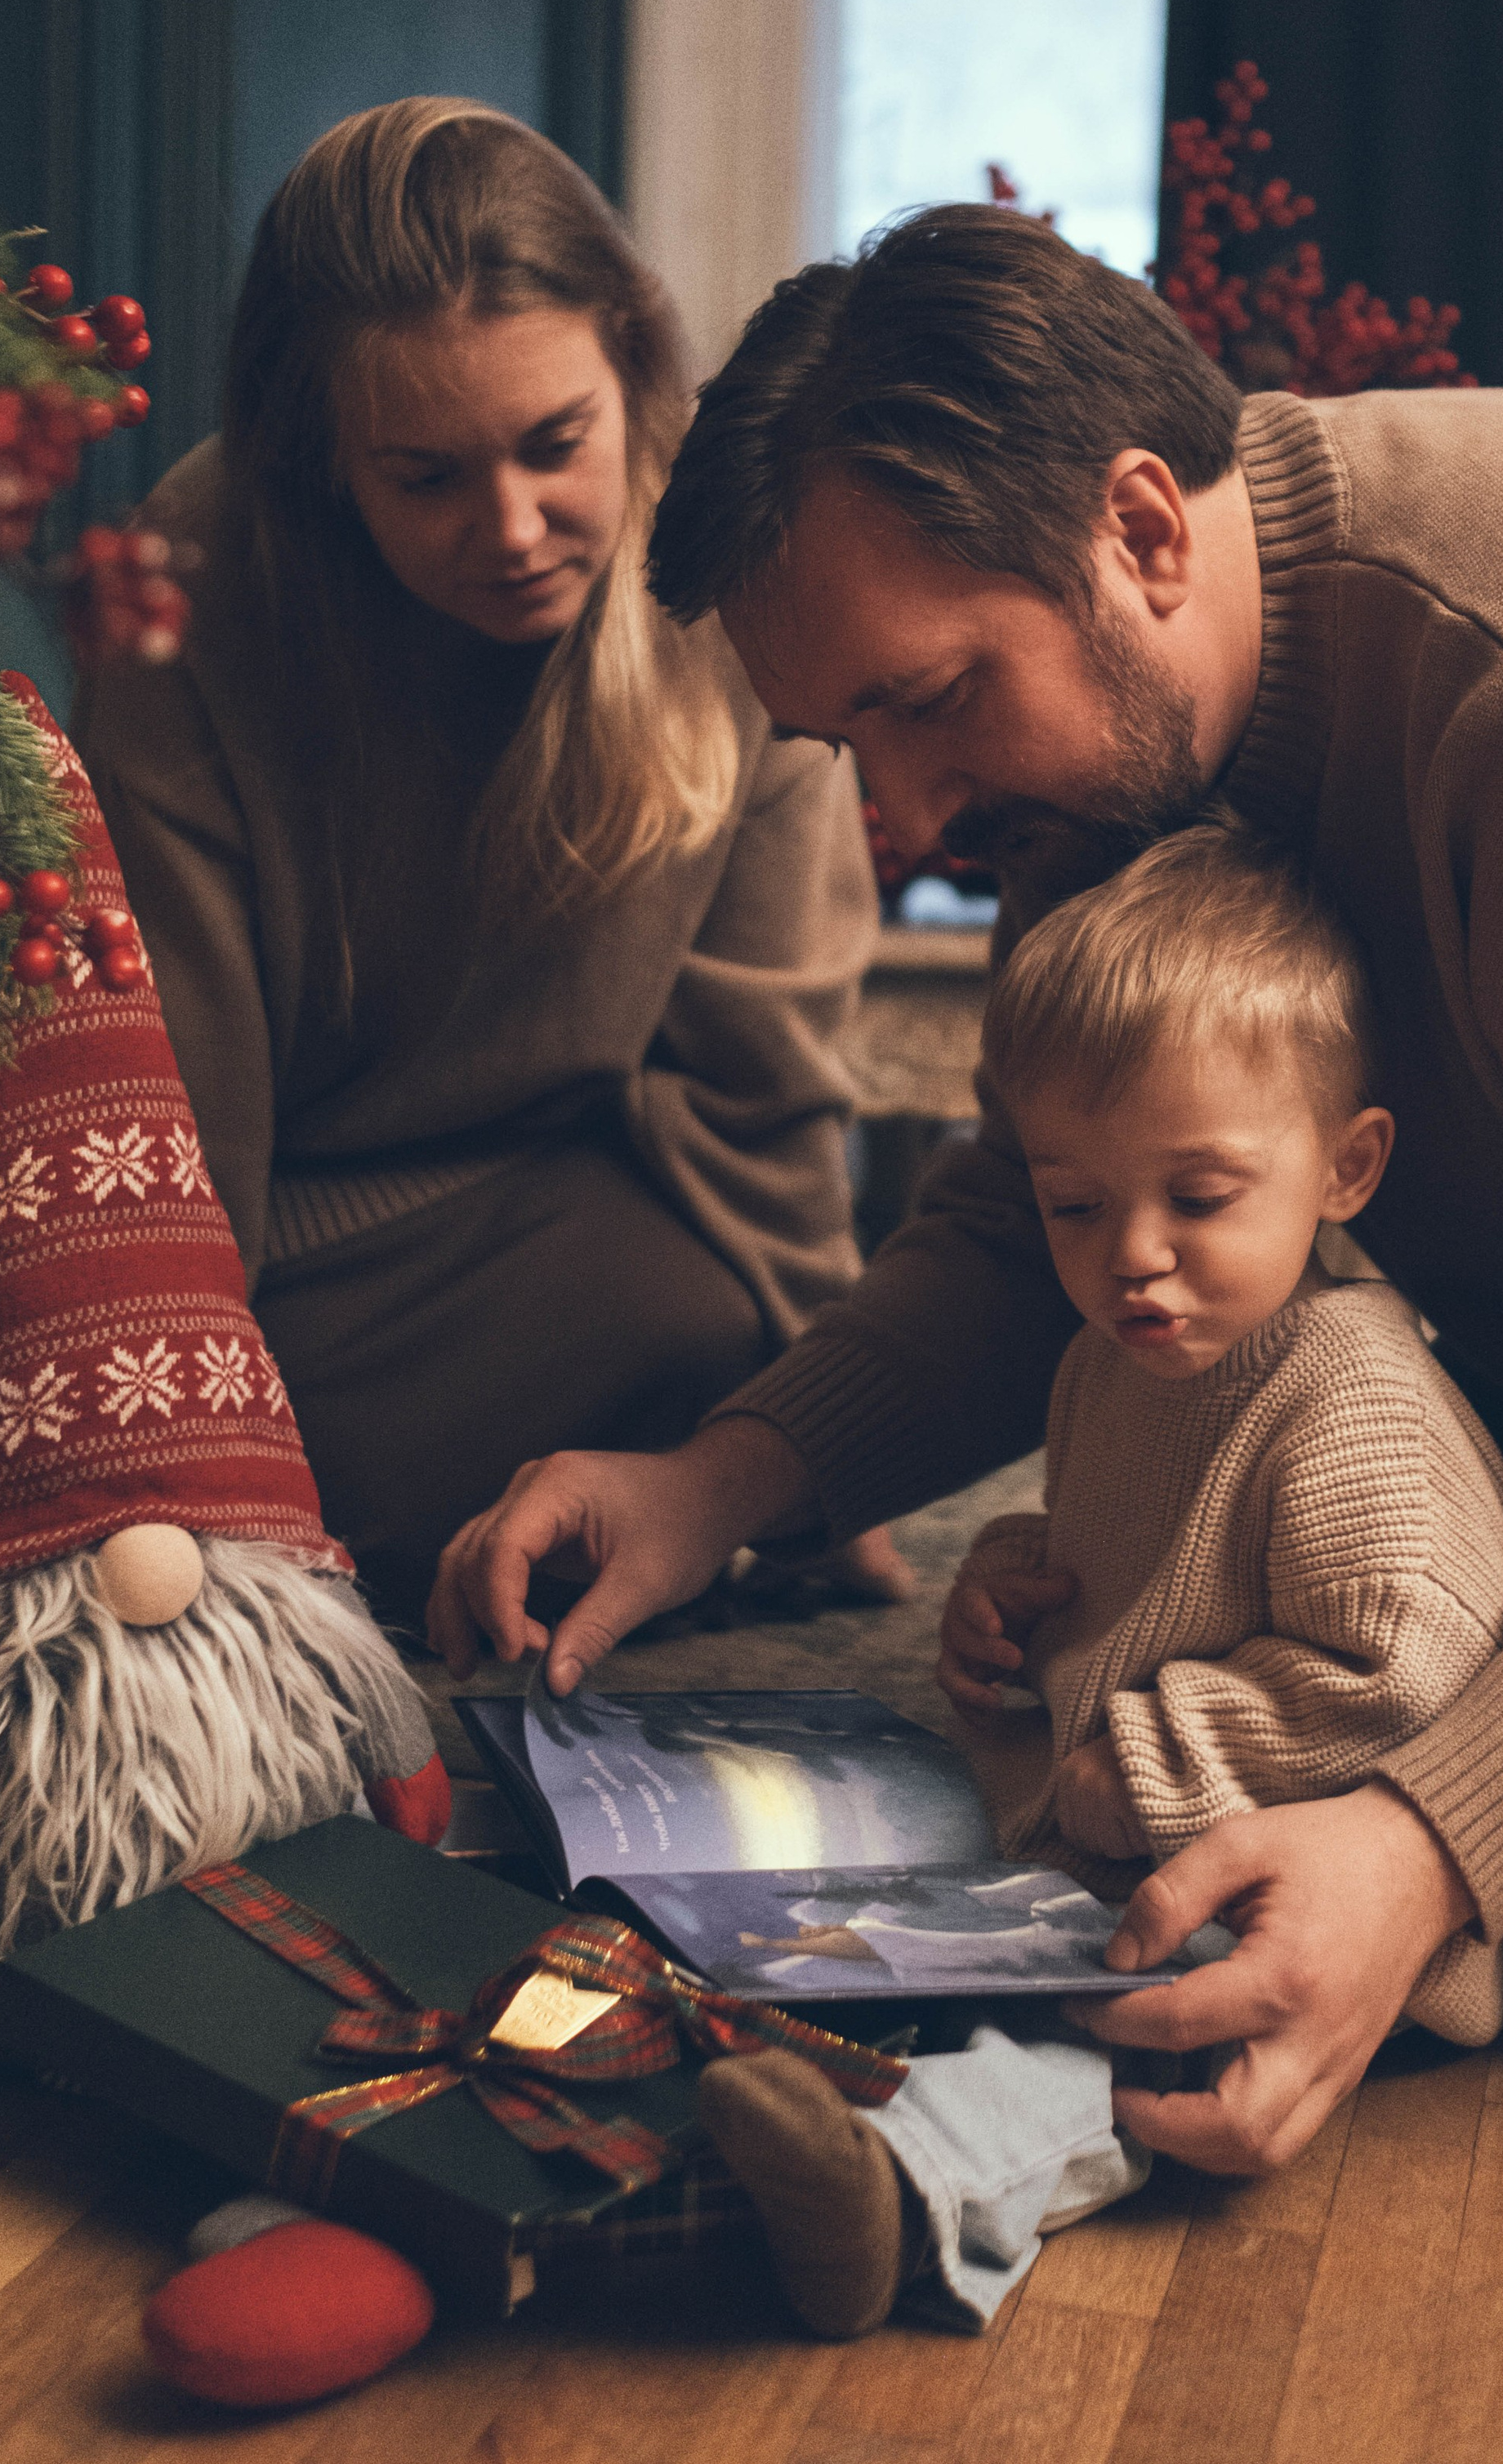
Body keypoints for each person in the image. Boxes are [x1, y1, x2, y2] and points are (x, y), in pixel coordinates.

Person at [435, 199, 1503, 2176]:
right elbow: (1037, 1215)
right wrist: (721, 1481)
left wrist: (1431, 1847)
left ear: (1144, 533)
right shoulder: (1122, 753)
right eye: (844, 743)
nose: (904, 826)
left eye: (925, 702)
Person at [73, 100, 903, 1629]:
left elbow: (765, 1083)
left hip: (566, 1206)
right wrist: (179, 1476)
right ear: (327, 464)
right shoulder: (190, 587)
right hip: (287, 1254)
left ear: (631, 371)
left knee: (719, 1338)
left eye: (554, 445)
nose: (513, 528)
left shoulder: (737, 563)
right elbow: (173, 1115)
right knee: (243, 1503)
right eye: (429, 477)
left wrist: (814, 1458)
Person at [700, 823, 1503, 2335]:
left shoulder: (1351, 1390)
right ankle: (736, 2110)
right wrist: (1012, 1594)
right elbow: (1114, 1562)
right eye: (1074, 1205)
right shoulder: (1110, 1361)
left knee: (1123, 2030)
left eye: (1198, 1198)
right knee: (865, 1901)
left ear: (1347, 1169)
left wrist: (1144, 1761)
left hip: (1300, 1902)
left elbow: (1401, 1670)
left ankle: (913, 2192)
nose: (1133, 1256)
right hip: (1105, 1844)